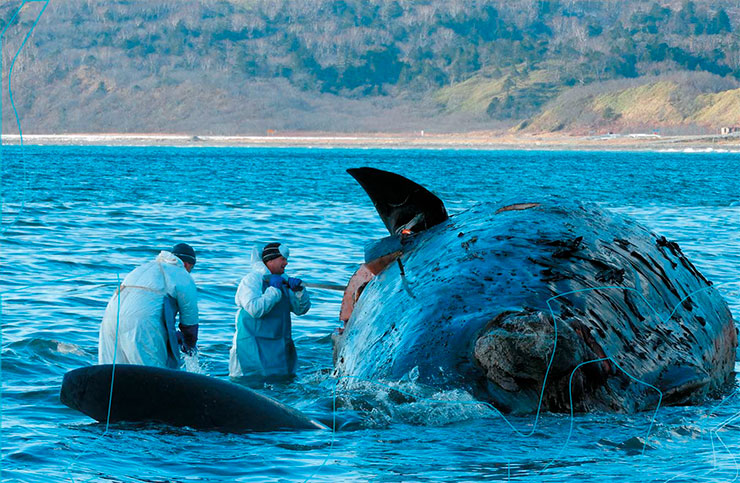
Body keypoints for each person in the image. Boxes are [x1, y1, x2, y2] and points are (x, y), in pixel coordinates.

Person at [98, 243, 200, 369]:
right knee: (152, 376)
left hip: (110, 320)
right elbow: (190, 322)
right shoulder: (182, 274)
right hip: (141, 325)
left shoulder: (144, 267)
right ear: (186, 264)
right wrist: (190, 347)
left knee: (113, 375)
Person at [229, 242, 311, 378]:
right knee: (252, 386)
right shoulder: (252, 280)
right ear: (270, 260)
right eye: (283, 259)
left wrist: (299, 292)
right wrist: (274, 290)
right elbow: (254, 309)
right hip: (252, 347)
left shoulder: (284, 281)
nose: (286, 263)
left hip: (279, 349)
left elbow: (300, 310)